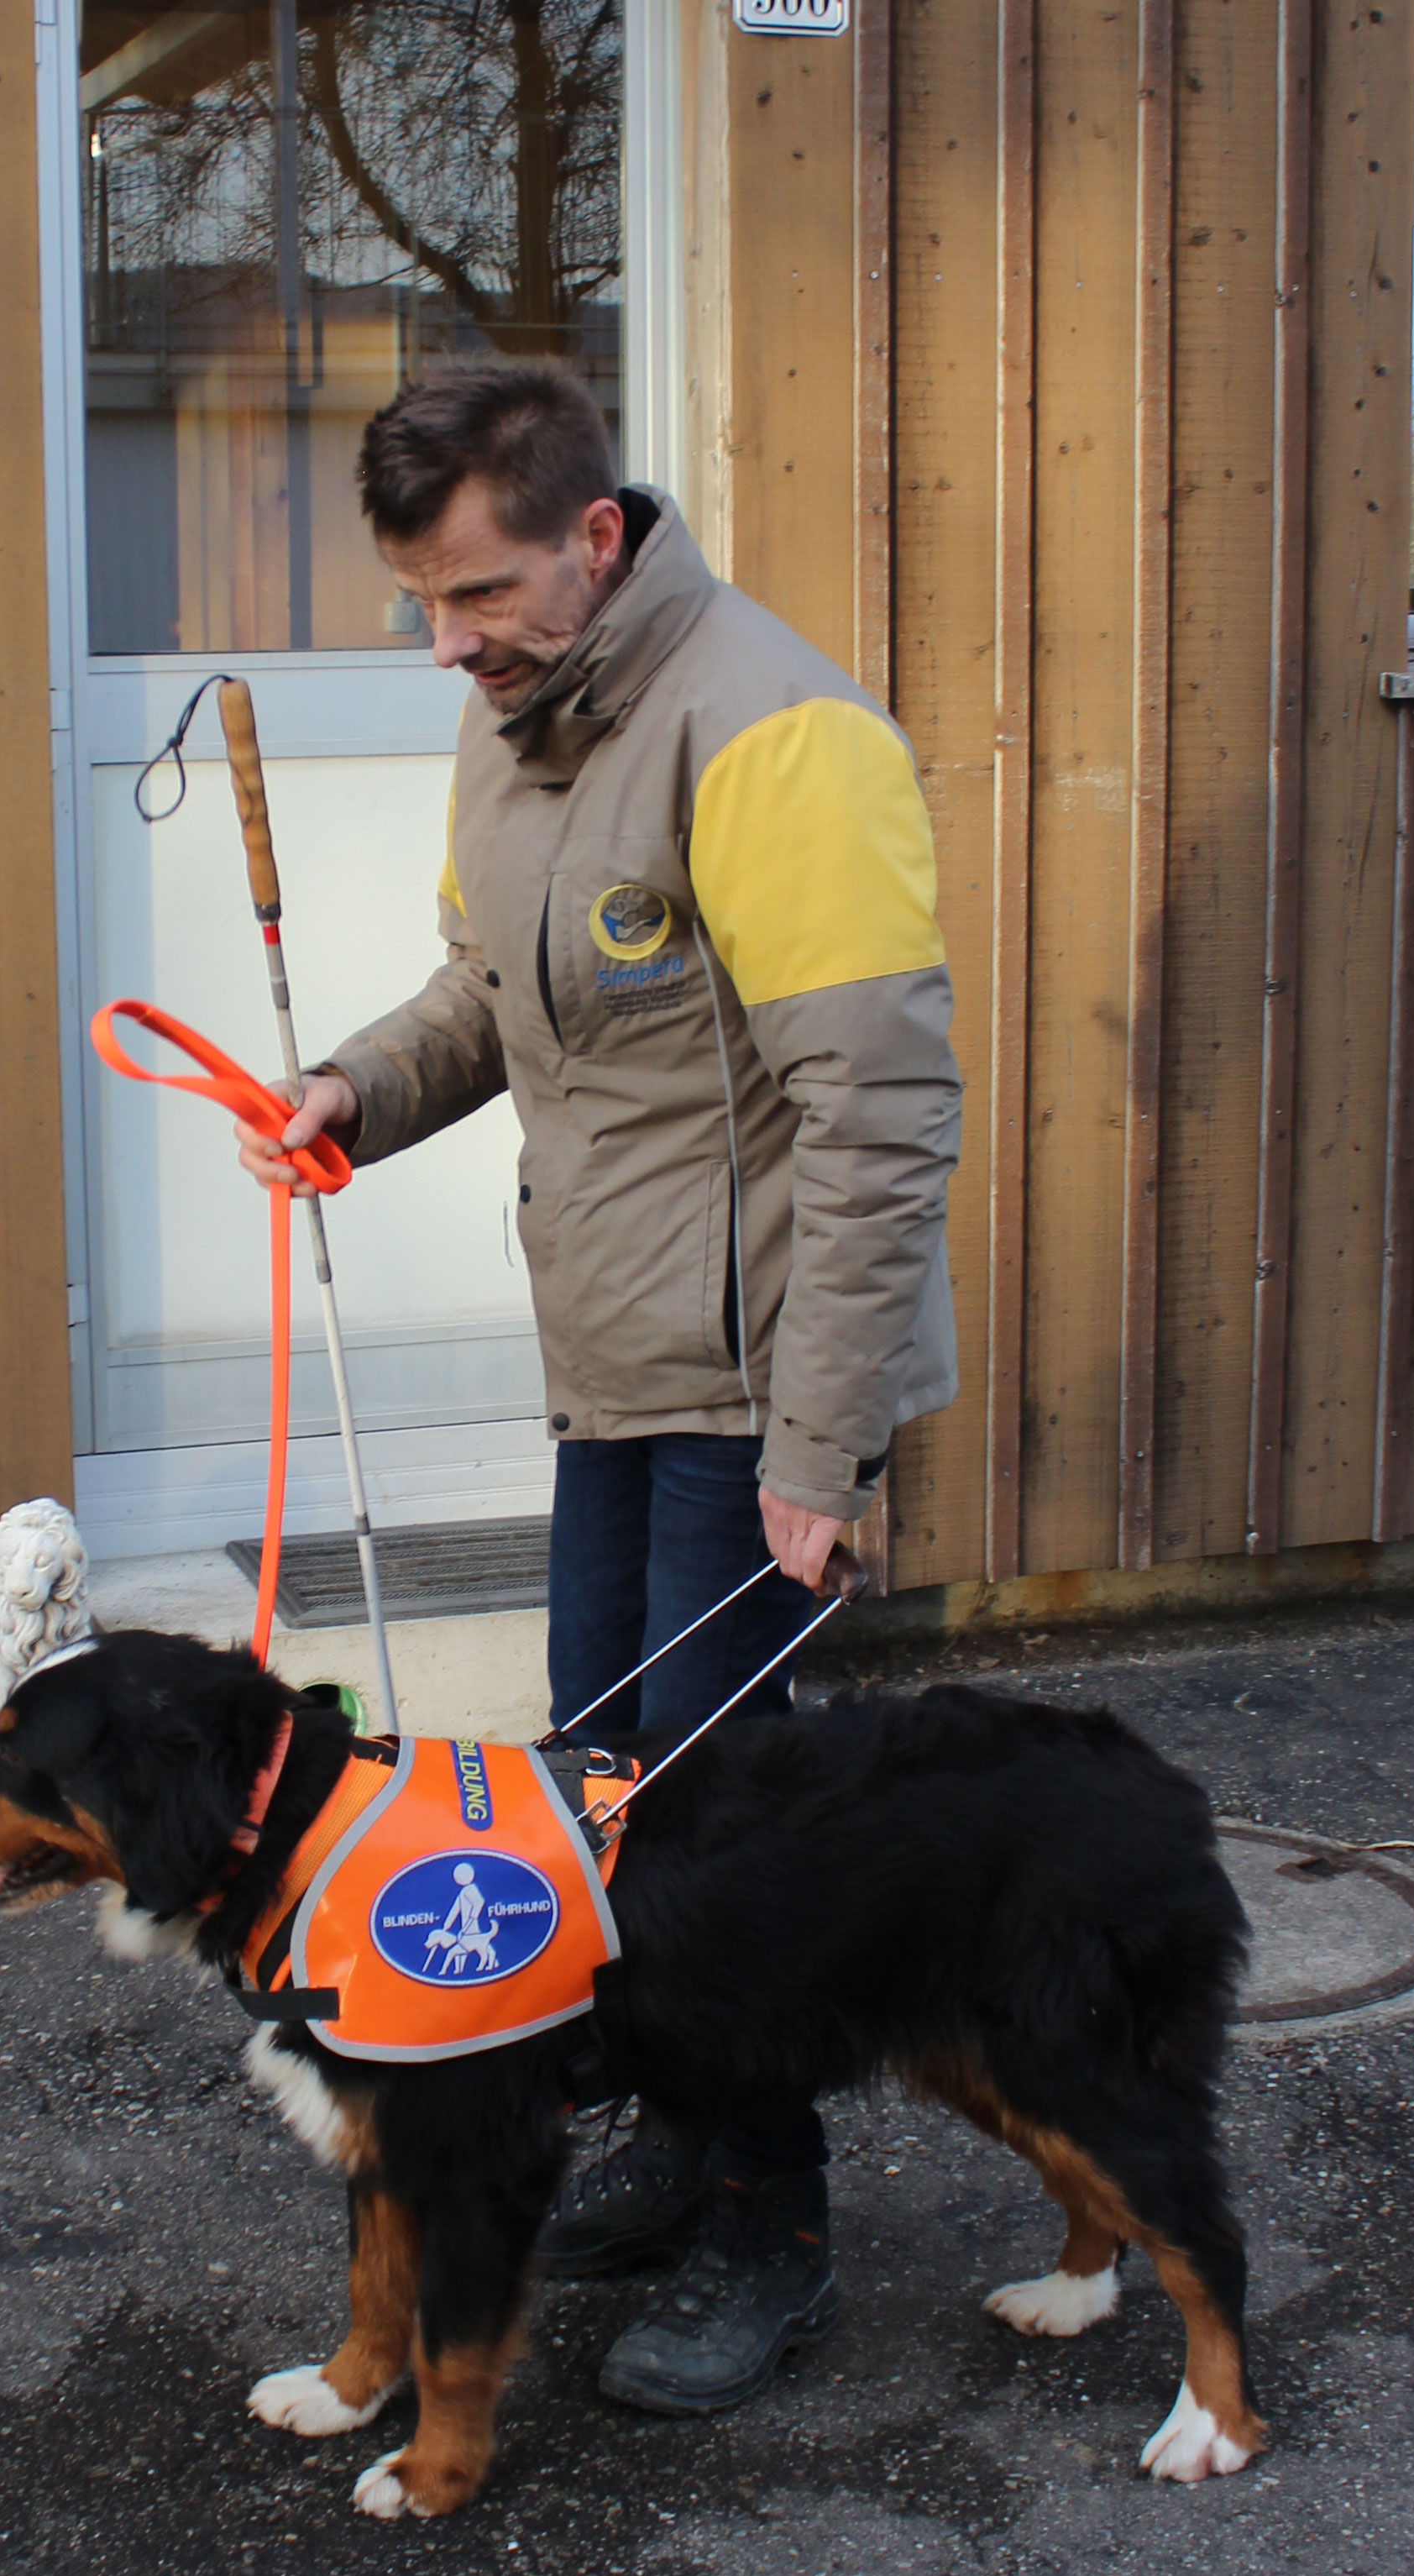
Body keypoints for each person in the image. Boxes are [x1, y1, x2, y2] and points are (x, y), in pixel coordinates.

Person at [233, 359, 961, 2416]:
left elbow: (879, 1115)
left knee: (713, 1847)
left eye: (477, 596)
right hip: (617, 1368)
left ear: (598, 535)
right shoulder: (525, 737)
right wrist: (352, 1096)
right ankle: (680, 2133)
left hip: (758, 1389)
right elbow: (491, 992)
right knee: (587, 1810)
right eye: (421, 608)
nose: (450, 646)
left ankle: (774, 2226)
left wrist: (827, 1450)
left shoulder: (778, 734)